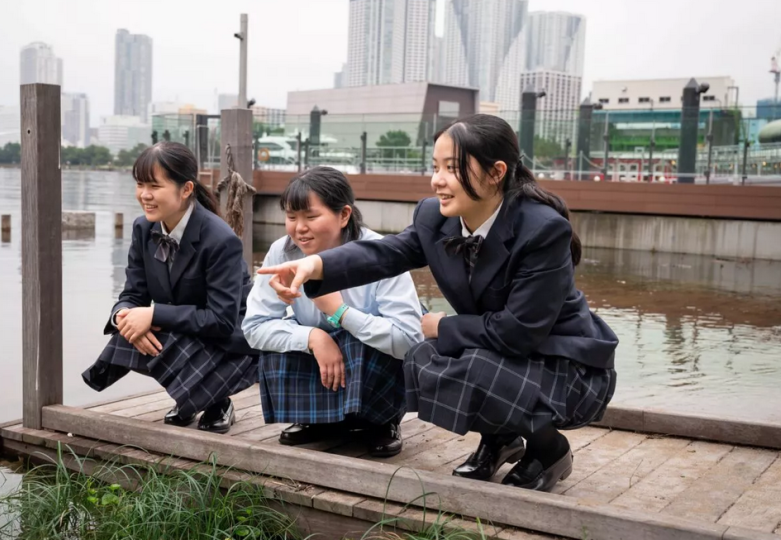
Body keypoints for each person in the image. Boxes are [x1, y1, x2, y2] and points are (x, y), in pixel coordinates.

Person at [258, 115, 617, 492]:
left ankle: (549, 449)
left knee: (466, 362)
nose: (437, 180)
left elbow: (519, 332)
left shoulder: (542, 228)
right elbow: (384, 253)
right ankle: (500, 438)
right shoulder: (435, 217)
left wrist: (443, 326)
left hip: (565, 363)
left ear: (495, 173)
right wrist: (315, 265)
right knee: (423, 358)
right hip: (497, 351)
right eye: (435, 167)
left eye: (452, 168)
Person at [242, 167, 423, 457]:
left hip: (370, 359)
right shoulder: (282, 252)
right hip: (321, 355)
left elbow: (410, 341)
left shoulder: (381, 253)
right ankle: (317, 419)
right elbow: (254, 327)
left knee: (361, 341)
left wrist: (340, 313)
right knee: (282, 341)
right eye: (291, 217)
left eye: (311, 217)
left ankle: (383, 421)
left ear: (344, 215)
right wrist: (312, 338)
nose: (299, 228)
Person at [82, 142, 258, 434]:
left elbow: (222, 320)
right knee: (129, 332)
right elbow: (132, 294)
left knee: (156, 326)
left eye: (154, 186)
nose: (145, 194)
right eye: (140, 184)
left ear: (186, 189)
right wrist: (124, 316)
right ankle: (189, 398)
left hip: (231, 343)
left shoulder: (220, 239)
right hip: (186, 329)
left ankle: (217, 401)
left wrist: (152, 315)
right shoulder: (143, 229)